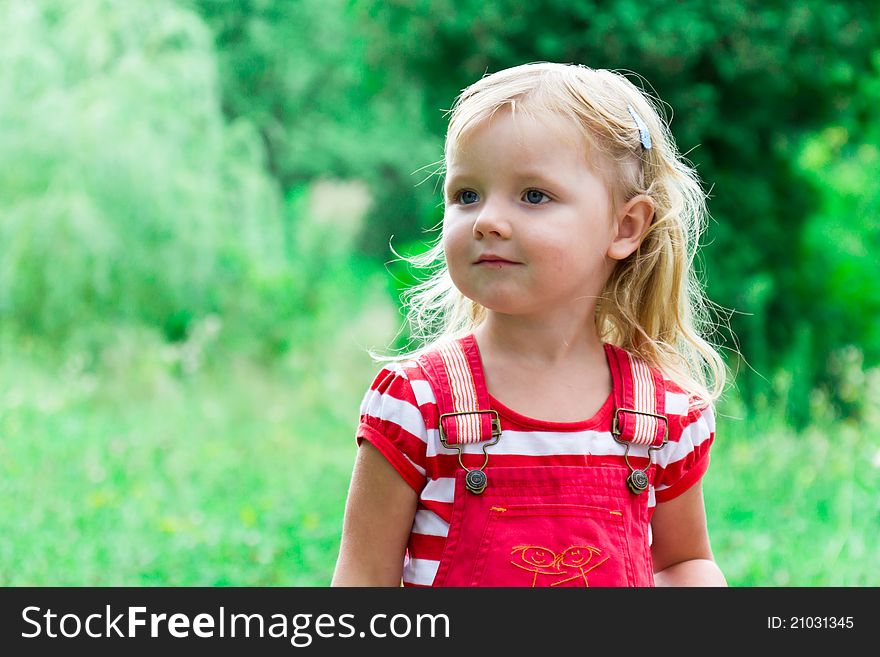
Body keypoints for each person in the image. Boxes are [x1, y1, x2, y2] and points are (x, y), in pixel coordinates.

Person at [332, 62, 728, 587]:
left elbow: (684, 564)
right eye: (466, 195)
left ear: (626, 226)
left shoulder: (663, 415)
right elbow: (363, 579)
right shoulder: (417, 403)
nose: (487, 220)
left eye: (534, 196)